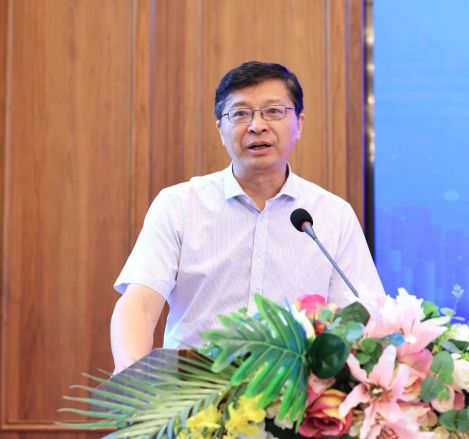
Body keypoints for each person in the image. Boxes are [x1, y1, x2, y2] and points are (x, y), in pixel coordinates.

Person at [110, 61, 384, 373]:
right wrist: (129, 373)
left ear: (299, 123)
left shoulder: (333, 215)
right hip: (194, 392)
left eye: (273, 111)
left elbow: (360, 315)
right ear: (220, 129)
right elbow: (140, 305)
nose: (257, 126)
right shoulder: (178, 206)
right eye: (240, 114)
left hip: (296, 391)